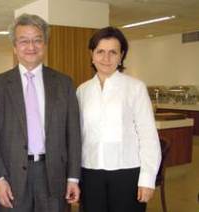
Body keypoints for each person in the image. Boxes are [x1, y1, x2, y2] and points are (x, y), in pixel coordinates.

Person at [0, 13, 81, 212]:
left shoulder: (63, 83)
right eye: (24, 41)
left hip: (54, 176)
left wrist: (73, 177)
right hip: (10, 178)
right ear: (14, 46)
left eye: (37, 40)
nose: (31, 47)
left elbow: (73, 135)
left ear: (45, 44)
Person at [76, 26, 161, 212]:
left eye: (113, 52)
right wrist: (75, 178)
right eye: (100, 51)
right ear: (92, 54)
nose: (106, 58)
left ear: (121, 55)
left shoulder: (135, 88)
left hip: (127, 174)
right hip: (90, 173)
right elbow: (78, 137)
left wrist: (147, 179)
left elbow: (148, 136)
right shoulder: (82, 90)